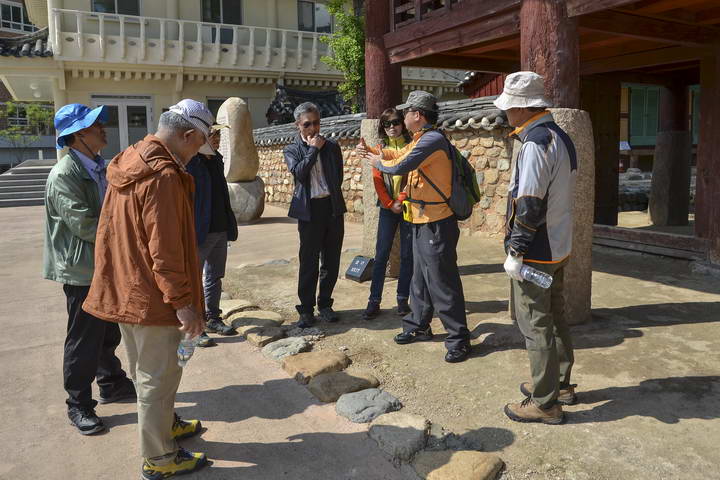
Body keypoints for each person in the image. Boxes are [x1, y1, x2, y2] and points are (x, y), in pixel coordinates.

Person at [83, 99, 215, 478]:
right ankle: (159, 458)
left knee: (149, 373)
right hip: (154, 298)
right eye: (198, 145)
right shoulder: (164, 176)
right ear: (188, 135)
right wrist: (183, 303)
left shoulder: (130, 158)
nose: (197, 154)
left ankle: (164, 427)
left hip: (128, 289)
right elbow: (166, 249)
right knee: (159, 377)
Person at [358, 91, 471, 363]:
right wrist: (374, 152)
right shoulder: (421, 138)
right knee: (419, 279)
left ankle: (458, 338)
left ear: (417, 115)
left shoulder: (431, 140)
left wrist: (376, 161)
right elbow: (397, 154)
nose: (402, 117)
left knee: (442, 281)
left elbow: (400, 165)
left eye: (406, 113)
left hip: (436, 222)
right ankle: (418, 325)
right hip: (421, 219)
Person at [43, 103, 135, 436]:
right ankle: (78, 404)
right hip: (82, 270)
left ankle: (111, 382)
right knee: (83, 339)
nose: (103, 129)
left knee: (108, 331)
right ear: (79, 135)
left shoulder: (99, 166)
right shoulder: (64, 174)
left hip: (103, 264)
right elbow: (84, 225)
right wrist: (128, 231)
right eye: (96, 126)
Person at [494, 72, 577, 425]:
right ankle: (558, 384)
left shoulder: (535, 142)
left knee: (535, 323)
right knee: (555, 317)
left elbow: (528, 204)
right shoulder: (561, 137)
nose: (506, 113)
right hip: (558, 245)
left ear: (523, 108)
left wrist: (515, 251)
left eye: (509, 106)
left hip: (536, 252)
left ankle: (545, 402)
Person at [284, 102, 347, 328]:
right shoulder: (292, 149)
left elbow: (337, 177)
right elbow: (300, 174)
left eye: (316, 122)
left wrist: (320, 148)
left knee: (331, 260)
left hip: (331, 207)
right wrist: (313, 150)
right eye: (307, 124)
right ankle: (306, 309)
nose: (313, 128)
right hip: (309, 211)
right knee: (308, 261)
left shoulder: (332, 146)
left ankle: (326, 304)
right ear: (298, 125)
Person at [187, 125, 239, 348]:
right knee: (194, 280)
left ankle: (213, 318)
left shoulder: (217, 159)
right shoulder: (191, 162)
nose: (217, 139)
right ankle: (195, 328)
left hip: (219, 228)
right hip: (200, 230)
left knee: (215, 276)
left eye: (218, 135)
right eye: (212, 135)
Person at [362, 108, 413, 320]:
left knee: (407, 255)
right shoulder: (379, 148)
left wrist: (400, 200)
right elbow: (377, 180)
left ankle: (403, 299)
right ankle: (374, 300)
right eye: (387, 124)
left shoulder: (412, 146)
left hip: (408, 206)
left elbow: (412, 177)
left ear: (402, 123)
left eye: (395, 123)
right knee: (381, 254)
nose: (392, 127)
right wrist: (390, 203)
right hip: (387, 208)